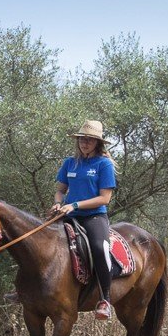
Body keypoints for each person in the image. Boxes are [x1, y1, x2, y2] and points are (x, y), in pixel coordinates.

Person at [50, 120, 118, 320]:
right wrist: (57, 202)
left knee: (99, 247)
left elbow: (104, 198)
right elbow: (60, 190)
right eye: (82, 139)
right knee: (39, 240)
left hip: (94, 216)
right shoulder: (69, 163)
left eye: (89, 140)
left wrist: (76, 205)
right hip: (68, 214)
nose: (84, 143)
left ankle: (104, 299)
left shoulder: (103, 164)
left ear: (98, 143)